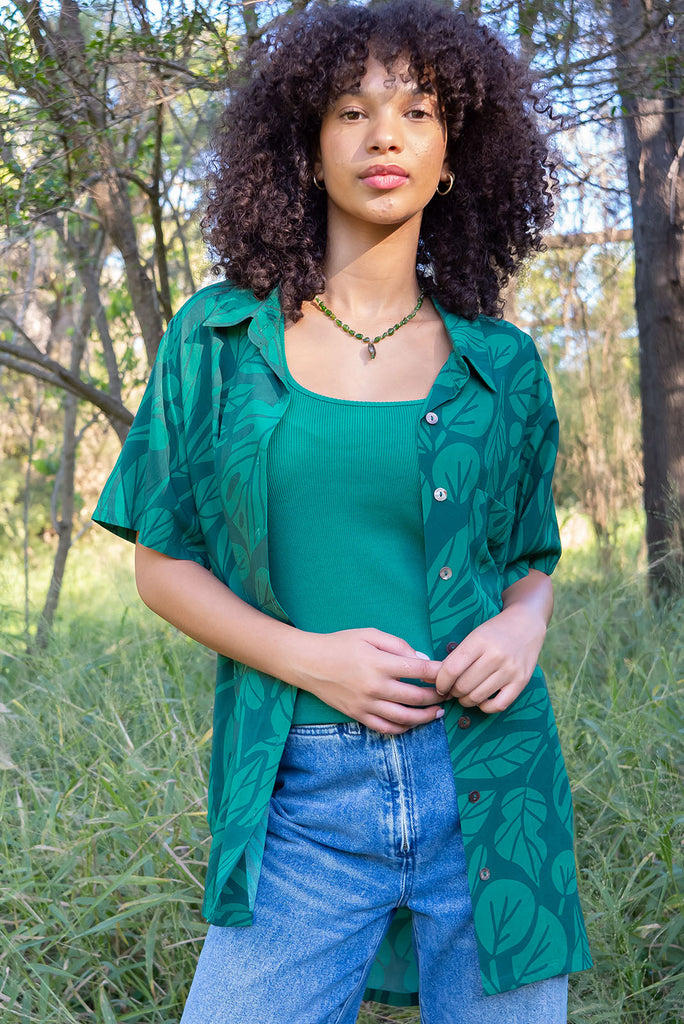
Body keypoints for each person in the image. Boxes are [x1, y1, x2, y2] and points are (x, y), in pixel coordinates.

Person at [93, 1, 592, 1020]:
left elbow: (531, 555)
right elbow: (162, 560)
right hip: (302, 795)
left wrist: (523, 621)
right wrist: (309, 658)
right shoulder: (219, 341)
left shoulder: (505, 367)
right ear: (305, 147)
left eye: (418, 109)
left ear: (453, 150)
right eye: (352, 110)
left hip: (494, 790)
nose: (385, 134)